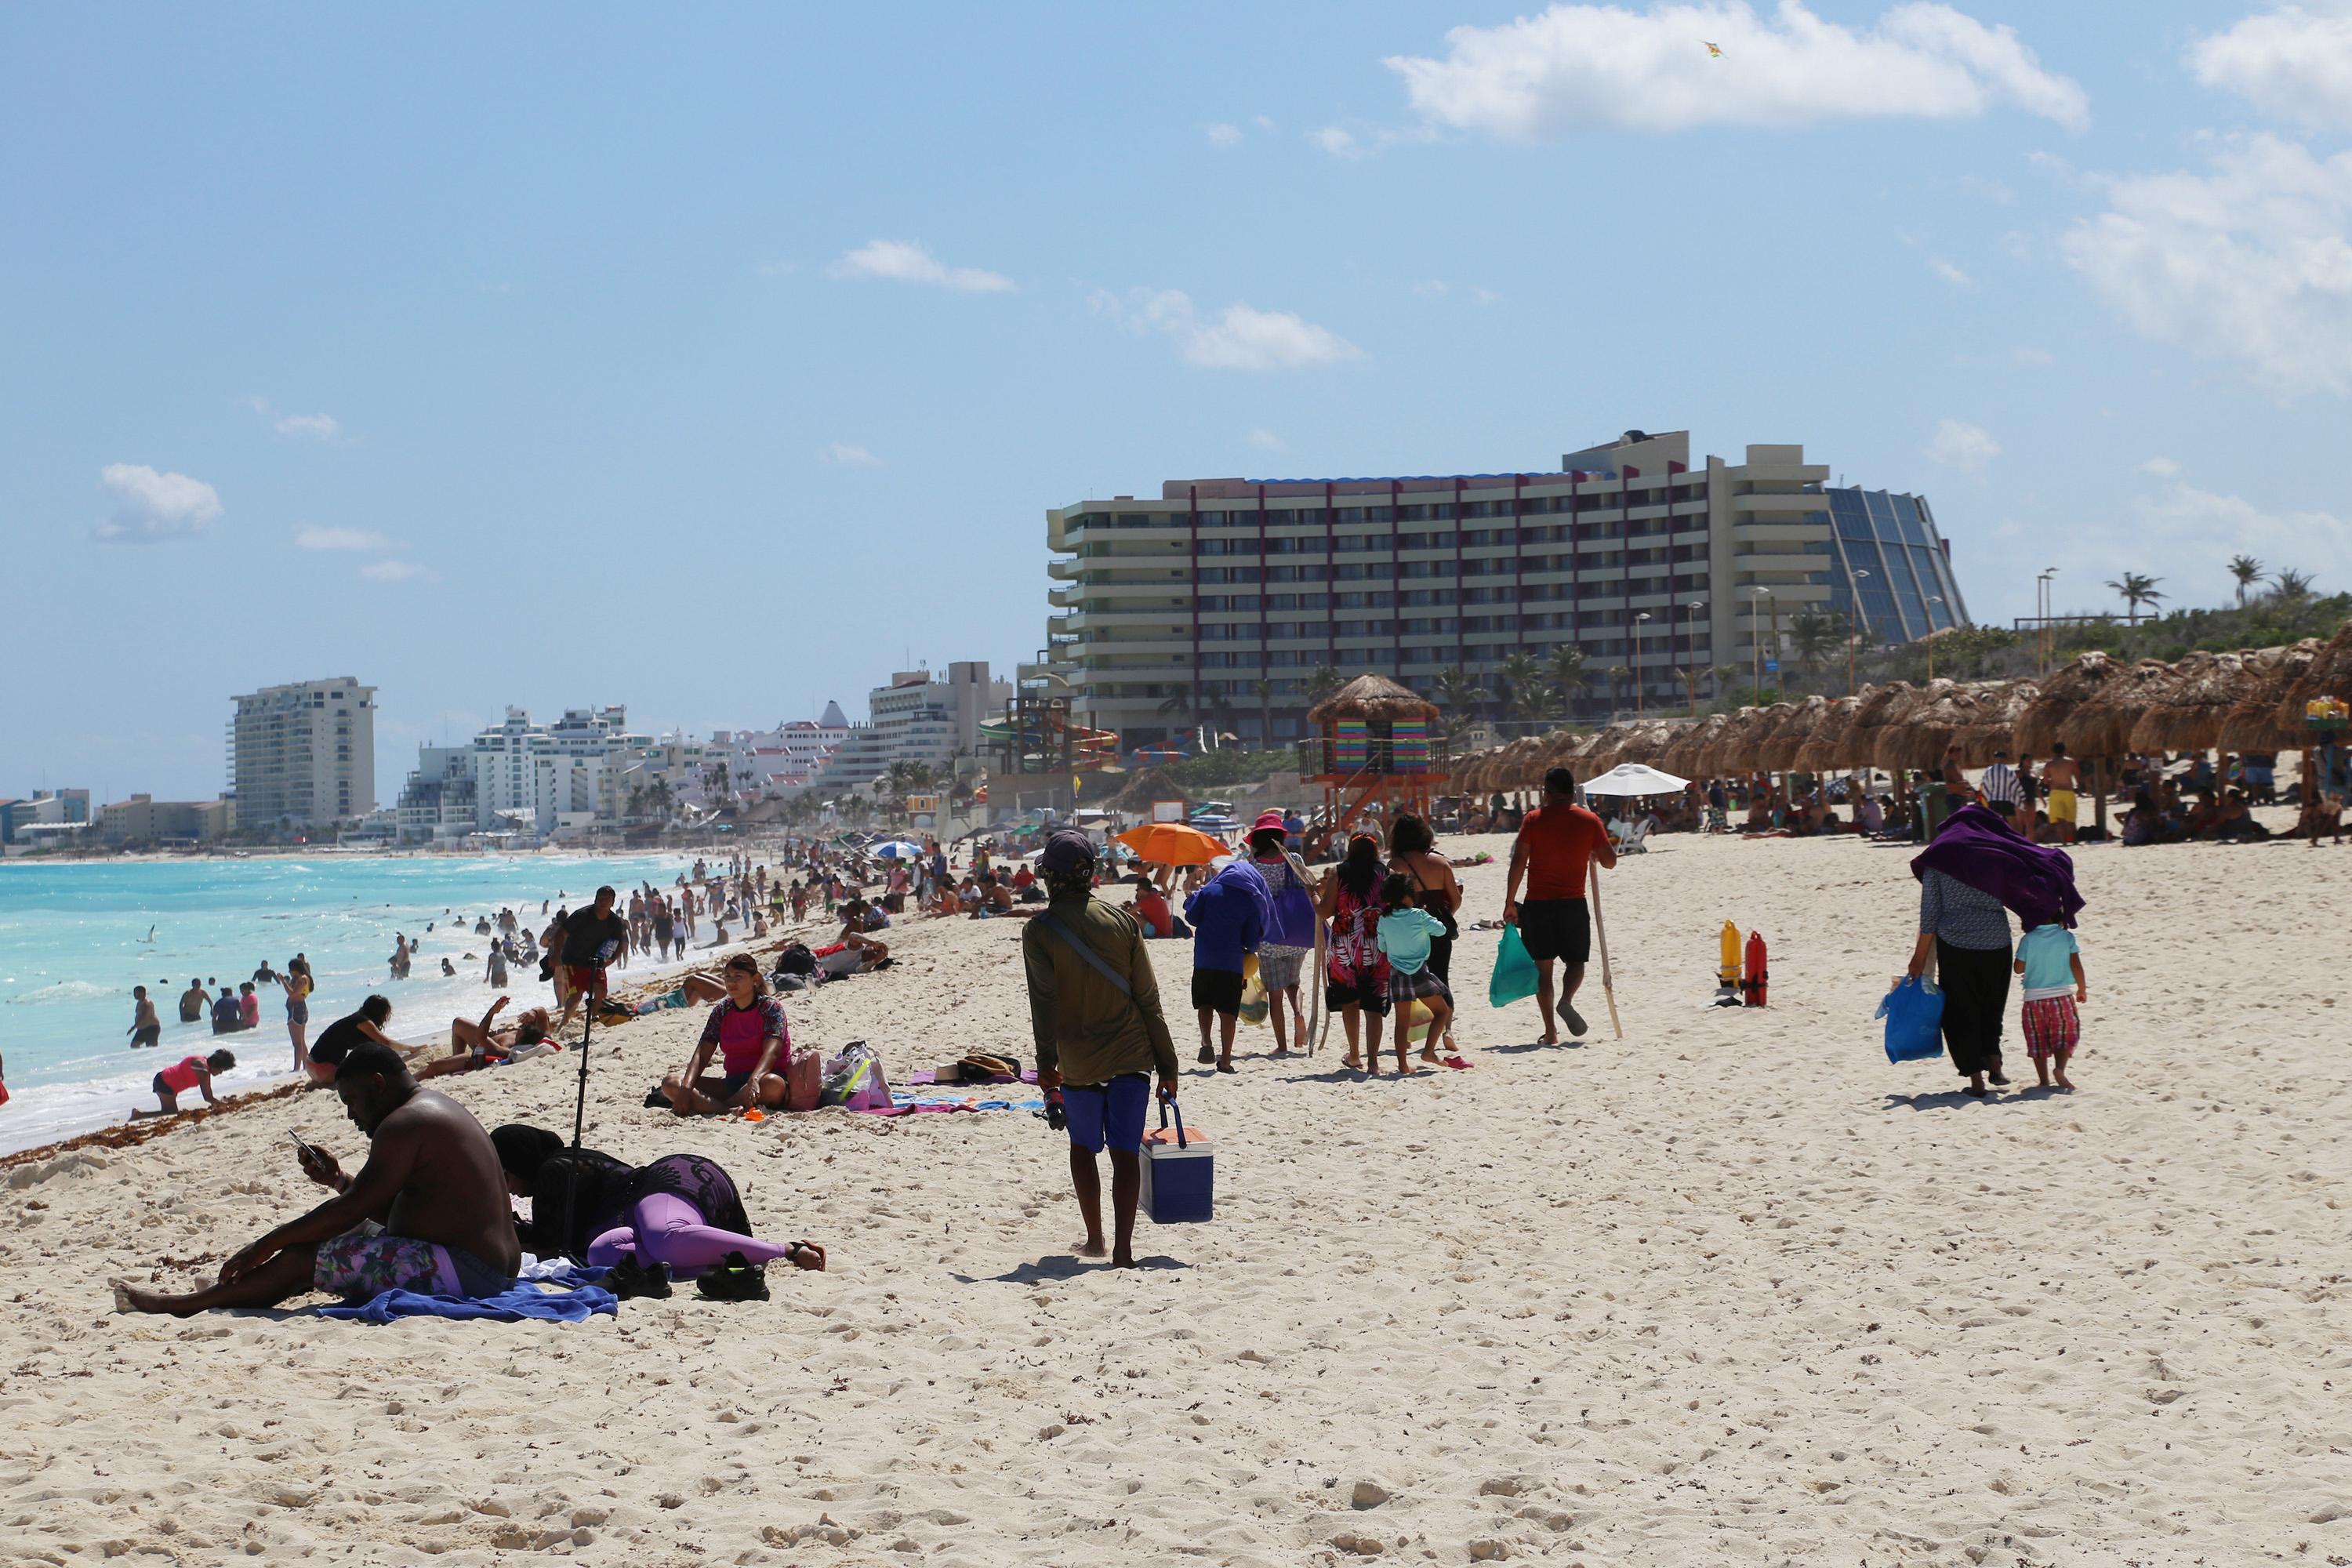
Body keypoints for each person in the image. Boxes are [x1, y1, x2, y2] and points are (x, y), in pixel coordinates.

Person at [114, 1041, 521, 1316]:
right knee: (326, 1237)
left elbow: (351, 1211)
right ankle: (232, 1291)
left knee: (301, 1257)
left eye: (352, 1101)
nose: (351, 1115)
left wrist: (267, 1243)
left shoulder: (403, 1124)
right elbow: (390, 1204)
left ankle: (188, 1305)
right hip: (489, 1267)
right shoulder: (432, 1106)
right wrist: (340, 1179)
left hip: (468, 1275)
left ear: (377, 1086)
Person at [1020, 829, 1181, 1269]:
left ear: (1049, 878)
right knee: (1125, 1151)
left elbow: (1044, 1001)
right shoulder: (1123, 920)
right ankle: (1125, 1251)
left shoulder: (1039, 931)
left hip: (1079, 1058)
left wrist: (1045, 1062)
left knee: (1083, 1145)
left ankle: (1096, 1240)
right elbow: (1149, 999)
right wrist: (1168, 1064)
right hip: (1132, 1053)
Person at [1900, 803, 2085, 1098]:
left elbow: (1930, 914)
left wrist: (1919, 957)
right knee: (1991, 1007)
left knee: (1962, 1012)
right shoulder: (1995, 855)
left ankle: (1976, 1079)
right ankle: (1995, 1065)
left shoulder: (1939, 859)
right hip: (1997, 942)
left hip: (1957, 943)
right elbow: (2027, 883)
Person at [490, 1124, 822, 1287]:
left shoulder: (554, 1170)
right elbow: (556, 1239)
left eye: (502, 1174)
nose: (506, 1186)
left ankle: (787, 1250)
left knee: (663, 1236)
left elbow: (548, 1245)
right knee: (602, 1254)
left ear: (519, 1160)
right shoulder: (551, 1182)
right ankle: (723, 1268)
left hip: (665, 1184)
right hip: (633, 1221)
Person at [1501, 767, 1617, 1044]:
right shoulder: (1589, 820)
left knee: (1544, 969)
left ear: (1547, 793)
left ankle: (1551, 1032)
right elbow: (1610, 861)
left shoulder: (1534, 819)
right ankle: (1566, 999)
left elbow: (1518, 862)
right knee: (1576, 961)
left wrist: (1509, 902)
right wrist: (1592, 850)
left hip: (1538, 904)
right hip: (1573, 903)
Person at [663, 954, 794, 1114]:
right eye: (727, 977)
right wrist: (686, 1086)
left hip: (764, 1079)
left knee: (773, 1084)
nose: (731, 982)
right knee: (671, 1083)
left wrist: (754, 1079)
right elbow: (702, 1054)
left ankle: (714, 1107)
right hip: (733, 1083)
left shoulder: (771, 1008)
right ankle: (727, 1110)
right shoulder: (721, 1011)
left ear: (755, 979)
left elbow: (772, 1052)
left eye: (738, 976)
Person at [1183, 851, 1269, 1073]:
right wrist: (1252, 948)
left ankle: (1206, 1042)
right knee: (1228, 1012)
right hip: (1231, 963)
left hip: (1204, 959)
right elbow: (1251, 942)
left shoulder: (1209, 891)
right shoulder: (1249, 901)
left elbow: (1192, 918)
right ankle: (1226, 1061)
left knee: (1204, 1004)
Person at [1388, 812, 1462, 1055]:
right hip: (1436, 928)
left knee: (1407, 981)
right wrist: (1440, 914)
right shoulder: (1441, 862)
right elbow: (1456, 899)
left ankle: (1407, 1035)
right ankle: (1448, 1031)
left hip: (1407, 932)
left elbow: (1390, 902)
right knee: (1441, 978)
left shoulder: (1396, 865)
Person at [1316, 833, 1391, 1071]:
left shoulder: (1340, 873)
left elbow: (1325, 911)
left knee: (1350, 1001)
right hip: (1377, 942)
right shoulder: (1385, 874)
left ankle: (1355, 1054)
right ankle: (1374, 1062)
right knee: (1374, 1002)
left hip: (1345, 945)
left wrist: (1313, 895)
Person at [1247, 813, 1317, 1056]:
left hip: (1270, 937)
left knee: (1275, 995)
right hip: (1296, 934)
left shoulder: (1253, 867)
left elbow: (1251, 901)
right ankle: (1298, 1013)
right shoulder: (1294, 858)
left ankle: (1283, 1045)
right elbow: (1308, 888)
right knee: (1293, 983)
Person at [1375, 874, 1455, 1074]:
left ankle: (1403, 1065)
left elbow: (1382, 946)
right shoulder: (1419, 915)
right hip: (1419, 972)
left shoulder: (1384, 919)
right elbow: (1441, 930)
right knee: (1442, 1011)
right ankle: (1429, 1051)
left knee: (1401, 1023)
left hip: (1397, 974)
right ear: (1407, 896)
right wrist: (1426, 917)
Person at [2015, 921, 2087, 1091]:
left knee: (2037, 1038)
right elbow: (2076, 965)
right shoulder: (2066, 937)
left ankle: (2044, 1080)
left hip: (2033, 1000)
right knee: (2065, 1035)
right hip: (2061, 997)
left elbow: (2018, 969)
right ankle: (2059, 1069)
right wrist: (2081, 988)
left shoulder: (2029, 939)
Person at [418, 996, 555, 1080]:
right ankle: (456, 1059)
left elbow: (481, 1037)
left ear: (519, 1041)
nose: (518, 1028)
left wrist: (492, 1012)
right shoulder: (539, 1035)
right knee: (458, 1023)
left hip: (482, 1048)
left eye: (520, 1031)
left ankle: (413, 1079)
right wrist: (533, 1012)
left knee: (432, 1068)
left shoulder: (505, 1051)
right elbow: (542, 1012)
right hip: (489, 1038)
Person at [557, 886, 630, 1032]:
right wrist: (555, 956)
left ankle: (594, 1020)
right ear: (595, 899)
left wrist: (612, 960)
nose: (603, 902)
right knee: (576, 996)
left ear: (613, 902)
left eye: (607, 900)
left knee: (601, 991)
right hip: (573, 960)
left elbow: (621, 943)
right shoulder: (582, 915)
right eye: (601, 899)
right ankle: (564, 1021)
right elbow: (561, 932)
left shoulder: (614, 921)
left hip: (596, 962)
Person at [308, 995, 401, 1083]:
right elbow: (387, 1043)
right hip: (322, 1067)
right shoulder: (364, 1022)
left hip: (312, 1065)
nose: (385, 1019)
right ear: (378, 1012)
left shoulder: (357, 1018)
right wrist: (411, 1049)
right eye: (385, 1014)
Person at [130, 1049, 234, 1120]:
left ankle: (139, 1114)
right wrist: (226, 1106)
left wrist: (221, 1104)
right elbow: (208, 1098)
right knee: (170, 1112)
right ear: (215, 1064)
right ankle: (139, 1115)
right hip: (164, 1083)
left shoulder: (202, 1061)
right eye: (221, 1069)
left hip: (165, 1080)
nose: (221, 1073)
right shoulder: (202, 1070)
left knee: (170, 1111)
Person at [2042, 742, 2081, 844]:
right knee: (2071, 820)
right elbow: (2078, 776)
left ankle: (2064, 843)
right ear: (2064, 750)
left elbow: (2045, 781)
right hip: (2068, 791)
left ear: (2053, 751)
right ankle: (2075, 842)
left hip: (2055, 792)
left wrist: (2052, 780)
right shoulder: (2070, 762)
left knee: (2060, 821)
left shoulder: (2049, 764)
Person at [1979, 750, 2022, 821]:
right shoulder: (2009, 771)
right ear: (2005, 759)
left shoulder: (1988, 771)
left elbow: (1984, 787)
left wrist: (1988, 799)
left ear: (1995, 759)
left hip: (1993, 801)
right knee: (2014, 827)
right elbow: (2015, 787)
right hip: (2007, 801)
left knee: (1995, 824)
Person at [126, 986, 161, 1050]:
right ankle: (141, 1058)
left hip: (151, 1028)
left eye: (136, 993)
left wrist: (133, 1028)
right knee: (134, 1045)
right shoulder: (139, 1003)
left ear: (142, 993)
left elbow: (144, 1017)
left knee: (151, 1048)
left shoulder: (147, 1003)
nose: (134, 995)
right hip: (142, 1029)